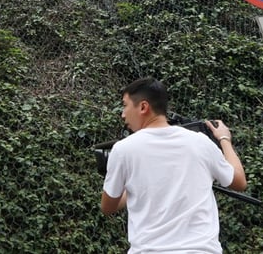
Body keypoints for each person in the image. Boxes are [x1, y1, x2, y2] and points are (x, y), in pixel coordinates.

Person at [100, 77, 248, 253]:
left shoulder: (123, 150)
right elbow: (239, 182)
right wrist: (224, 139)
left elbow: (108, 207)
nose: (123, 114)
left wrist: (132, 187)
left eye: (125, 106)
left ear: (143, 107)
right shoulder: (200, 142)